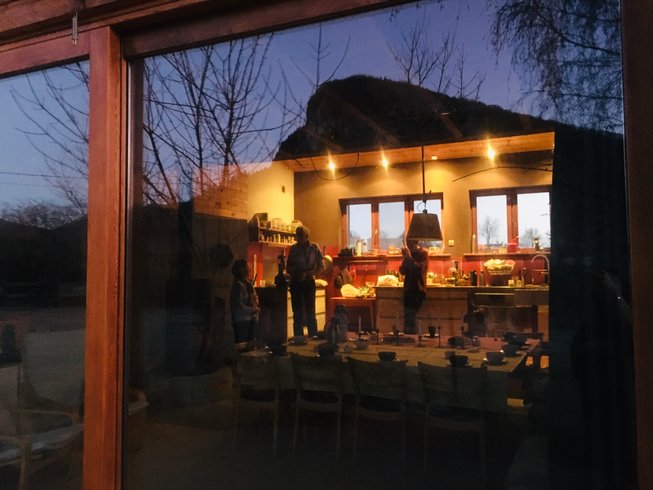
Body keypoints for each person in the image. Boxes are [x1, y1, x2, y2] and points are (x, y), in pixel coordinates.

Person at [286, 225, 325, 337]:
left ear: (306, 236)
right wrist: (296, 274)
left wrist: (310, 273)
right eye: (297, 235)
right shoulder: (293, 249)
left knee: (310, 310)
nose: (298, 238)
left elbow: (322, 266)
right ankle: (298, 337)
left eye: (300, 236)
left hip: (309, 281)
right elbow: (288, 267)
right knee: (297, 311)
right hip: (296, 282)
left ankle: (313, 335)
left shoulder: (314, 248)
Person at [399, 239, 428, 334]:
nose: (409, 246)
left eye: (410, 244)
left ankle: (412, 337)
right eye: (408, 244)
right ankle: (409, 337)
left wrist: (409, 258)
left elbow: (419, 269)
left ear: (416, 242)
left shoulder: (423, 253)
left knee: (410, 316)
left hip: (418, 289)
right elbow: (402, 271)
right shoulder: (409, 255)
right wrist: (405, 258)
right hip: (408, 290)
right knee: (408, 318)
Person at [230, 259, 260, 343]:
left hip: (249, 320)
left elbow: (256, 301)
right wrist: (253, 309)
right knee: (243, 345)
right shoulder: (238, 286)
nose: (250, 270)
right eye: (248, 268)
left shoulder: (247, 285)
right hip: (242, 321)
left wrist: (252, 291)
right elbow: (239, 308)